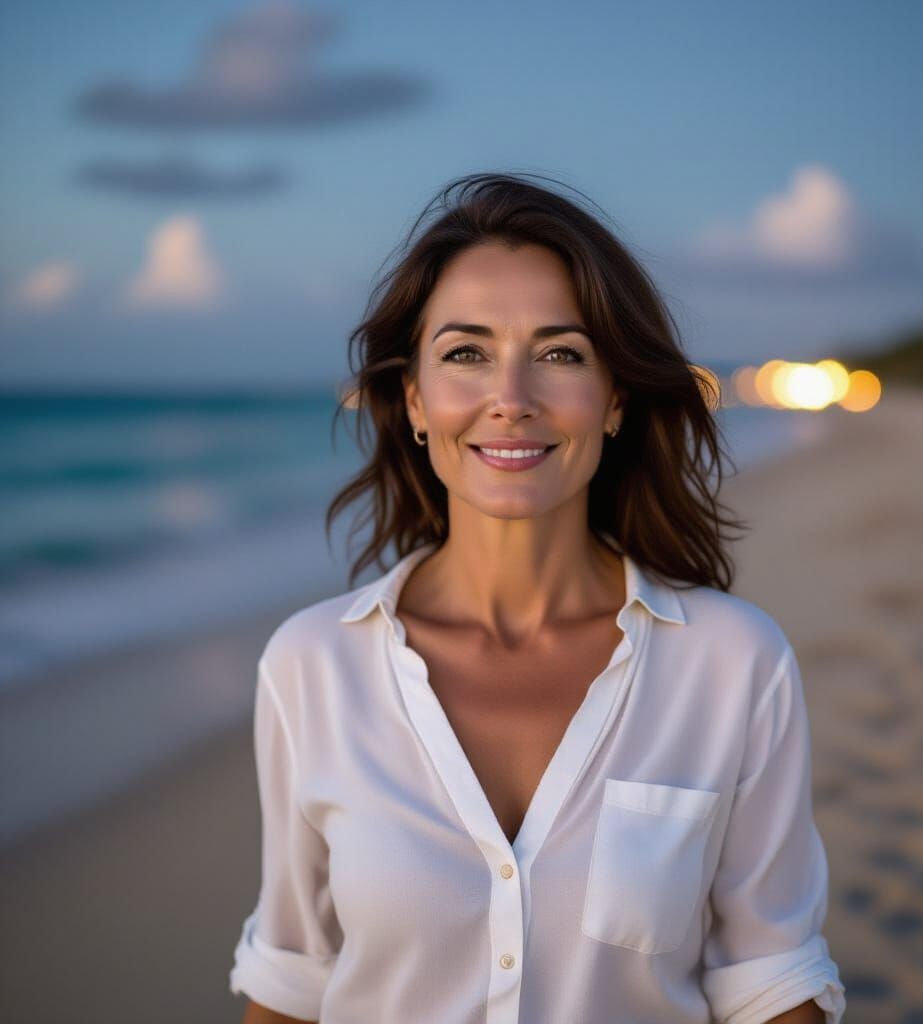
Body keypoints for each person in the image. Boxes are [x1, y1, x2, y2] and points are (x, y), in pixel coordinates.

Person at [228, 172, 846, 1023]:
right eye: (465, 353)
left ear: (615, 396)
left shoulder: (734, 663)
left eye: (560, 354)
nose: (511, 401)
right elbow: (292, 981)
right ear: (414, 398)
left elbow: (770, 984)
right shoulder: (312, 666)